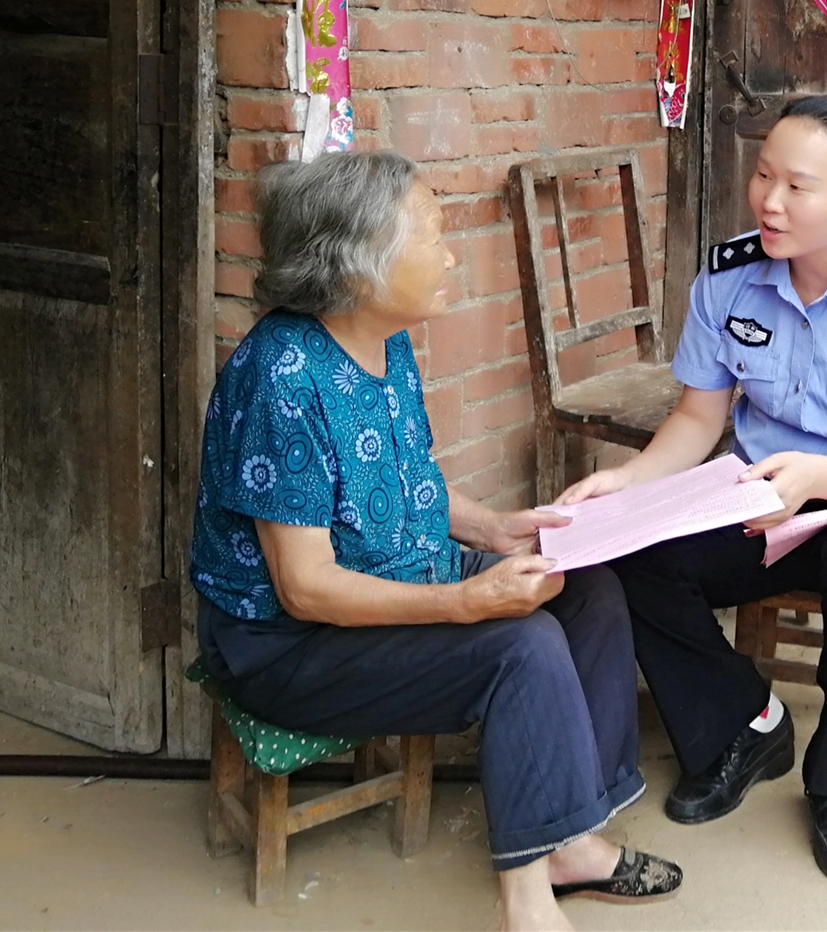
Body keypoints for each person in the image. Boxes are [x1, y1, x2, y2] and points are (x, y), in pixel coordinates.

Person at [189, 151, 681, 931]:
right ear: (358, 266)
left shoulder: (383, 340)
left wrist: (498, 529)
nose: (451, 254)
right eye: (432, 235)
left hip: (403, 569)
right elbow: (305, 587)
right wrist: (465, 601)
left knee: (585, 588)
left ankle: (575, 836)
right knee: (519, 645)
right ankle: (526, 901)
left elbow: (406, 477)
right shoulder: (279, 378)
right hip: (287, 645)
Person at [557, 95, 827, 883]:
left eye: (798, 186)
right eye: (763, 175)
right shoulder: (731, 277)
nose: (769, 201)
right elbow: (697, 415)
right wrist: (627, 482)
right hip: (750, 500)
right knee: (627, 553)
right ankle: (746, 723)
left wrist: (816, 477)